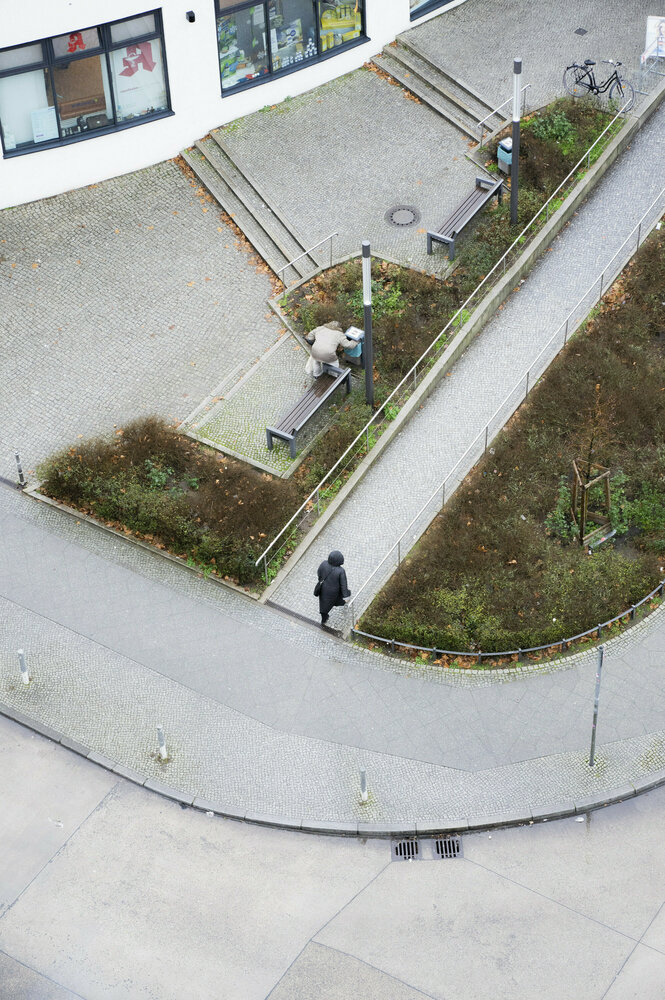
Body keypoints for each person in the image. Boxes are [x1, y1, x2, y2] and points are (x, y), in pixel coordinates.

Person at [315, 550, 351, 625]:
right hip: (334, 593)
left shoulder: (324, 563)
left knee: (323, 605)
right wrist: (346, 597)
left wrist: (321, 580)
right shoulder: (341, 571)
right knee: (335, 601)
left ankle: (324, 619)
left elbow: (319, 573)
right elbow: (343, 585)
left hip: (323, 590)